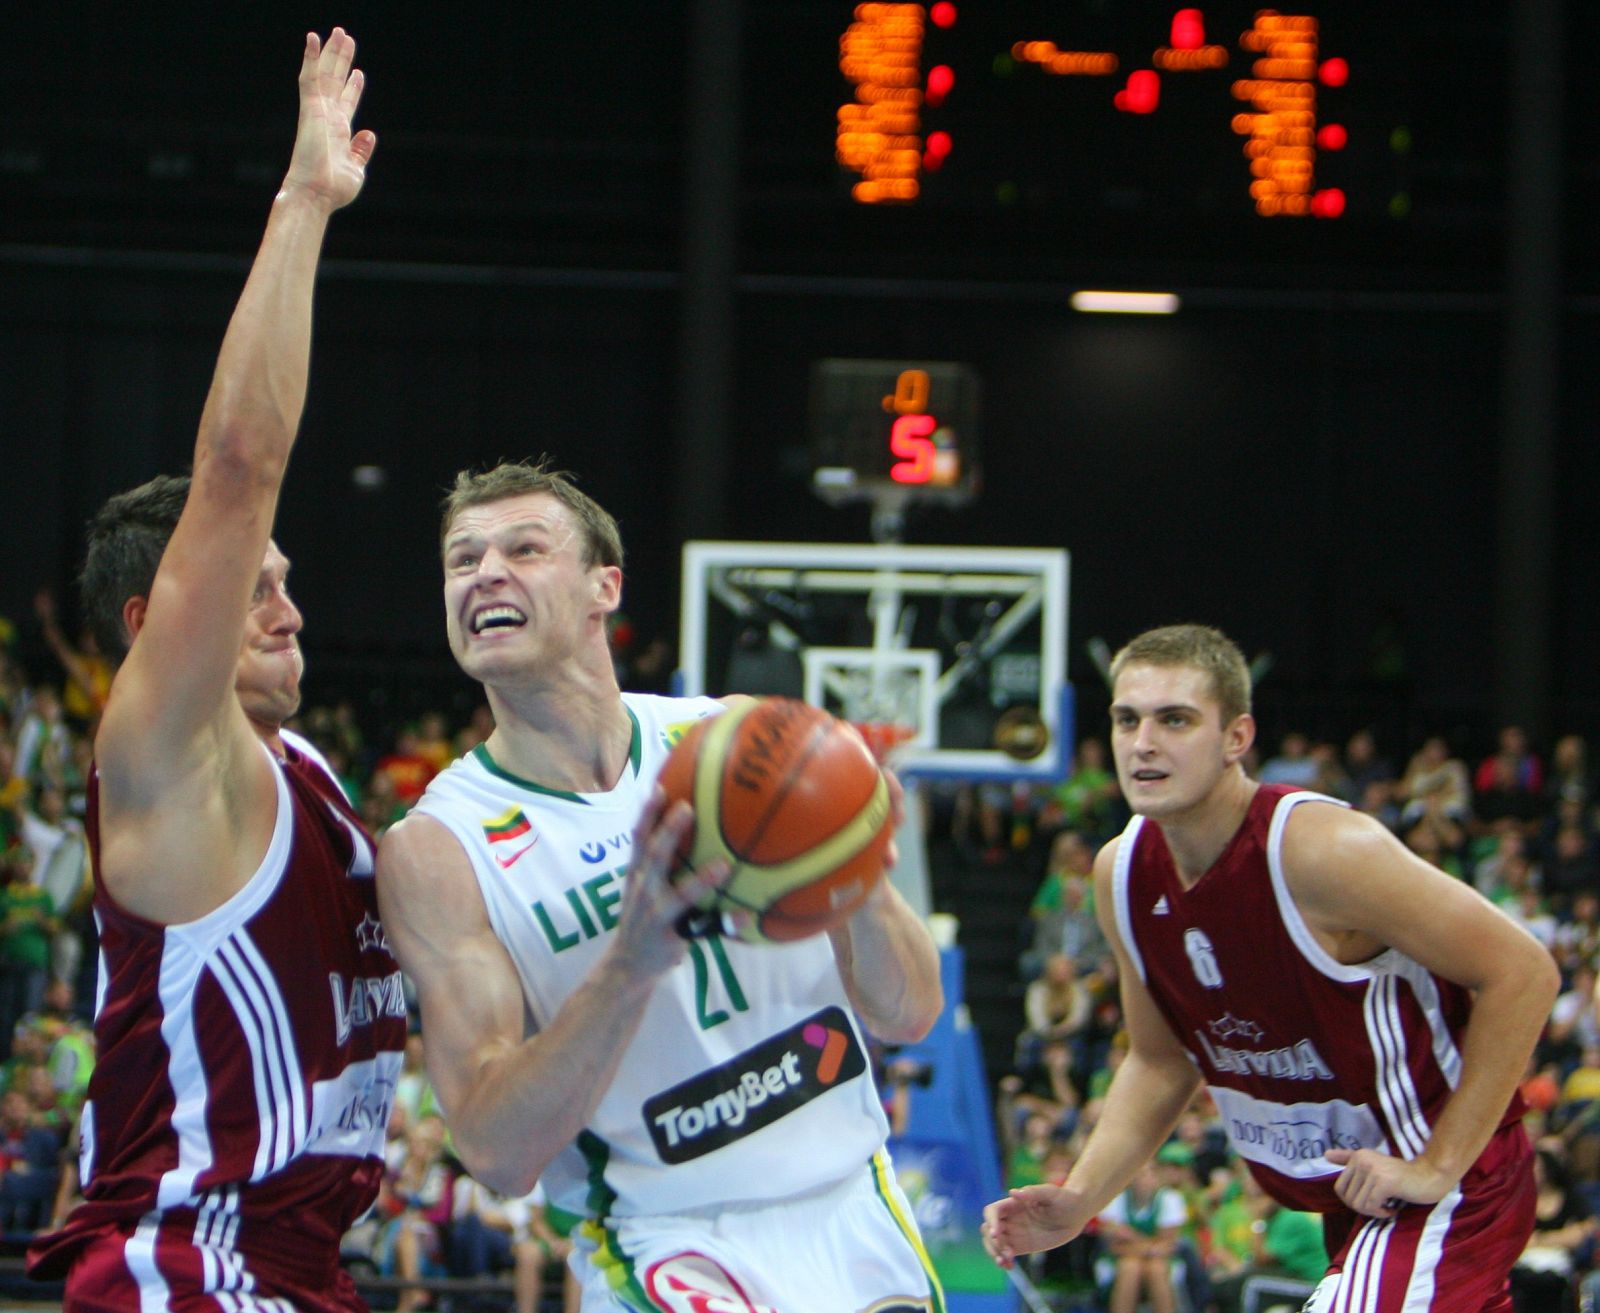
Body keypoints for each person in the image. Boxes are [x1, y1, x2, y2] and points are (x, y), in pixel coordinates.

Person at [25, 30, 408, 1311]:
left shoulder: (307, 777)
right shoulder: (164, 750)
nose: (289, 608)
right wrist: (304, 203)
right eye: (256, 585)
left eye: (289, 582)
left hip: (300, 1266)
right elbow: (240, 464)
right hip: (188, 1265)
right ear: (158, 621)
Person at [377, 460, 946, 1311]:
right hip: (667, 1243)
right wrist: (630, 965)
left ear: (605, 585)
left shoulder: (742, 741)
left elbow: (909, 1012)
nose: (486, 572)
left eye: (524, 548)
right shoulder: (438, 848)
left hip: (852, 1209)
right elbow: (497, 1153)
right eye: (463, 560)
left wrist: (857, 874)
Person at [982, 624, 1559, 1311]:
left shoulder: (1323, 851)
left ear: (1237, 737)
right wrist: (1081, 1197)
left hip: (1449, 1179)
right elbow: (1162, 1060)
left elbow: (1524, 971)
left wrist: (1438, 1165)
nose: (1143, 742)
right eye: (1126, 718)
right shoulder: (1122, 872)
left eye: (1175, 719)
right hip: (1352, 1194)